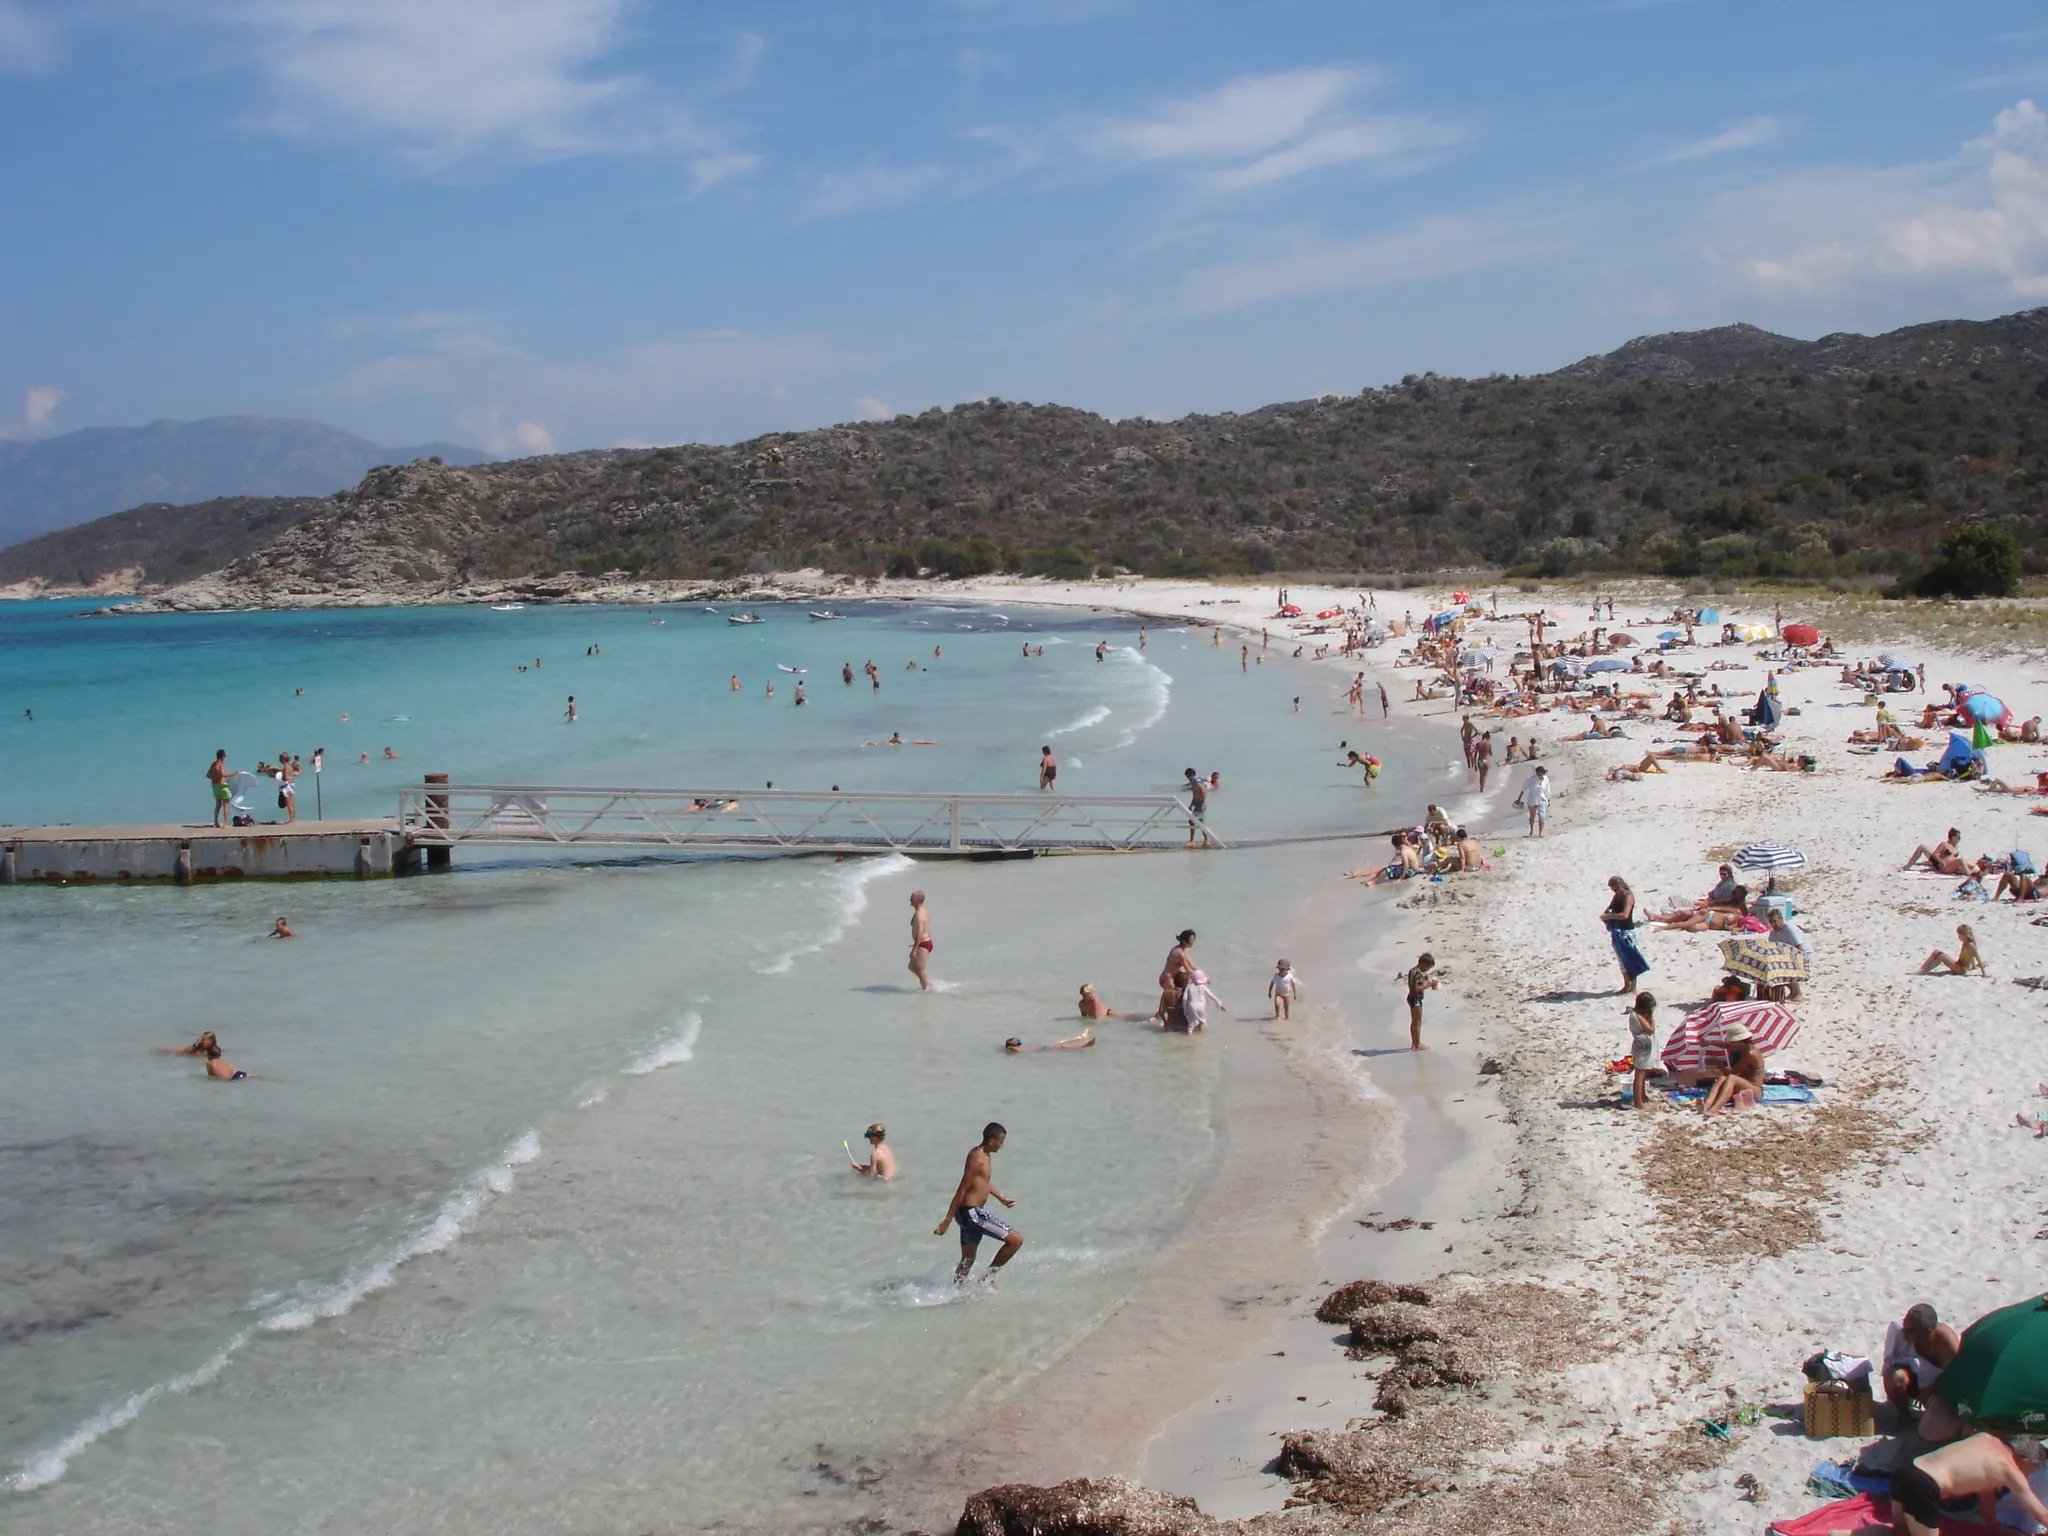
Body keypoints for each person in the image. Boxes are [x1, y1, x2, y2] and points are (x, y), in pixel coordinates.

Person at [1889, 1435, 2048, 1536]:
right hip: (1924, 1485)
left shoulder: (1986, 1439)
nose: (2028, 1475)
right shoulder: (2008, 1469)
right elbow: (2041, 1514)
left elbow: (1987, 1500)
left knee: (1900, 1532)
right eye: (2032, 1470)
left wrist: (1993, 1531)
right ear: (2025, 1461)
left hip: (1907, 1470)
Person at [935, 1122, 1021, 1285]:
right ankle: (987, 1278)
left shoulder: (985, 1157)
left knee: (968, 1258)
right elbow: (962, 1189)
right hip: (971, 1213)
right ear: (991, 1141)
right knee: (1015, 1240)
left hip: (968, 1214)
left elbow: (984, 1182)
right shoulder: (977, 1158)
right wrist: (946, 1221)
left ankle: (956, 1291)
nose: (1001, 1146)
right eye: (1000, 1142)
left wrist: (1001, 1198)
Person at [1882, 1302, 1962, 1430]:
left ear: (1927, 1332)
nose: (1905, 1332)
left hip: (1937, 1387)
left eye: (1911, 1331)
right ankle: (1904, 1416)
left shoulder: (1946, 1342)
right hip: (1912, 1378)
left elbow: (1956, 1374)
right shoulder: (1897, 1329)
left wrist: (1930, 1389)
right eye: (1905, 1326)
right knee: (1894, 1377)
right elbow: (1888, 1363)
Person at [1702, 1021, 1764, 1114]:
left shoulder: (1750, 1054)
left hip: (1755, 1090)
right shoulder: (1744, 1047)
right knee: (1721, 1078)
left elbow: (1732, 1073)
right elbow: (1727, 1045)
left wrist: (1719, 1065)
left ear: (1741, 1041)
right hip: (1744, 1085)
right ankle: (1707, 1104)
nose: (1731, 1044)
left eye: (1733, 1042)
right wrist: (1710, 1043)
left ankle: (1715, 1108)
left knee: (1731, 1078)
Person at [1602, 876, 1651, 996]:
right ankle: (1626, 985)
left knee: (1630, 958)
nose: (1613, 891)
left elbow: (1625, 915)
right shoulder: (1617, 896)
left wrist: (1609, 917)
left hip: (1627, 931)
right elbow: (1608, 909)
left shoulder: (1628, 896)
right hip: (1616, 931)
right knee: (1621, 959)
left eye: (1614, 889)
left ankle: (1633, 987)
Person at [1402, 952, 1440, 1051]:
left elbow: (1414, 983)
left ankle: (1414, 1043)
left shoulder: (1413, 970)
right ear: (1424, 964)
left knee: (1414, 1021)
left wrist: (1424, 979)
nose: (1427, 970)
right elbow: (1417, 988)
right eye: (1428, 968)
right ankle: (1417, 1044)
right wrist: (1430, 984)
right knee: (1417, 1021)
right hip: (1416, 998)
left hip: (1410, 997)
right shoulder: (1418, 973)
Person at [1625, 993, 1656, 1110]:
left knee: (1642, 1074)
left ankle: (1642, 1096)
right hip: (1641, 1047)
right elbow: (1650, 1029)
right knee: (1640, 1075)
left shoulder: (1635, 1014)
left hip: (1642, 1046)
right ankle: (1638, 1101)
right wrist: (1652, 1018)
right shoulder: (1637, 1016)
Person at [1918, 923, 1987, 976]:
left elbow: (1977, 958)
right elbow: (1971, 956)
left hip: (1961, 969)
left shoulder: (1970, 945)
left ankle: (1923, 971)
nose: (1958, 937)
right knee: (1936, 952)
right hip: (1958, 965)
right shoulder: (1966, 943)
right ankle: (1923, 969)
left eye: (1960, 936)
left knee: (1941, 956)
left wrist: (1984, 974)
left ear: (1965, 936)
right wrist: (1973, 966)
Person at [907, 890, 933, 991]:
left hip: (923, 944)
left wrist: (914, 949)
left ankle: (926, 989)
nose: (910, 900)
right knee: (912, 967)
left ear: (917, 900)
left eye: (912, 898)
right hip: (922, 943)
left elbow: (920, 933)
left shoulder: (919, 914)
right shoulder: (923, 910)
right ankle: (927, 983)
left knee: (918, 968)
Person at [1183, 769, 1212, 847]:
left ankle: (1192, 840)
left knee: (1192, 821)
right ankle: (1206, 840)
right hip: (1197, 802)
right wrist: (1191, 804)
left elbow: (1203, 792)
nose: (1187, 778)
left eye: (1187, 776)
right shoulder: (1197, 780)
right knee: (1200, 822)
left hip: (1200, 803)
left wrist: (1202, 804)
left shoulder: (1196, 782)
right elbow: (1195, 793)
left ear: (1190, 775)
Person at [1005, 1030, 1095, 1052]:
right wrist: (1010, 1046)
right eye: (1015, 1040)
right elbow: (1010, 1048)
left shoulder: (1019, 1048)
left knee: (1060, 1042)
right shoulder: (1015, 1049)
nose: (1017, 1040)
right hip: (1041, 1050)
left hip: (1042, 1048)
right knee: (1061, 1046)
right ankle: (1084, 1046)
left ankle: (1080, 1037)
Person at [207, 749, 231, 826]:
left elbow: (208, 775)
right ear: (222, 756)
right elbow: (223, 774)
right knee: (225, 804)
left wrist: (215, 777)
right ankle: (226, 823)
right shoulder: (221, 764)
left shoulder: (213, 764)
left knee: (218, 804)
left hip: (215, 786)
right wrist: (234, 773)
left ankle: (216, 822)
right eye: (225, 756)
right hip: (222, 786)